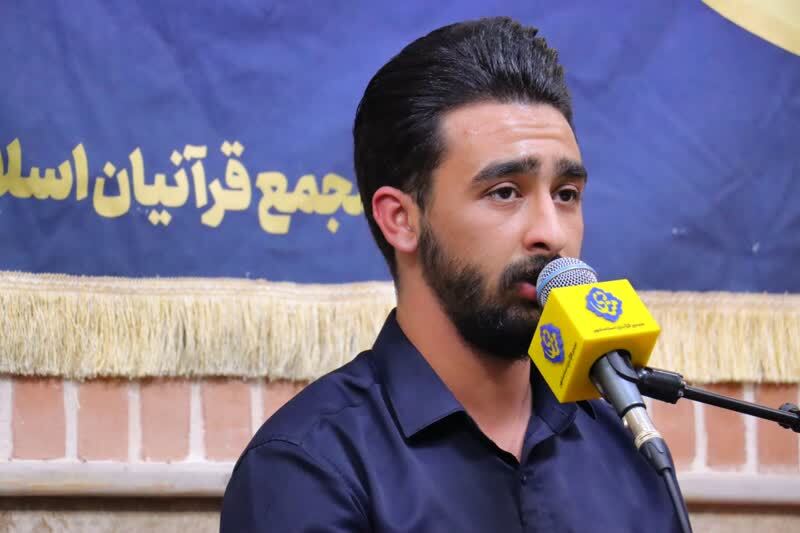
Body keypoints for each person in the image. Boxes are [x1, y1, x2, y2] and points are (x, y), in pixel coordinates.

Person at [221, 17, 680, 532]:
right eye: (505, 192)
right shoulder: (309, 469)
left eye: (566, 195)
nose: (551, 234)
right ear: (401, 219)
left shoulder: (625, 444)